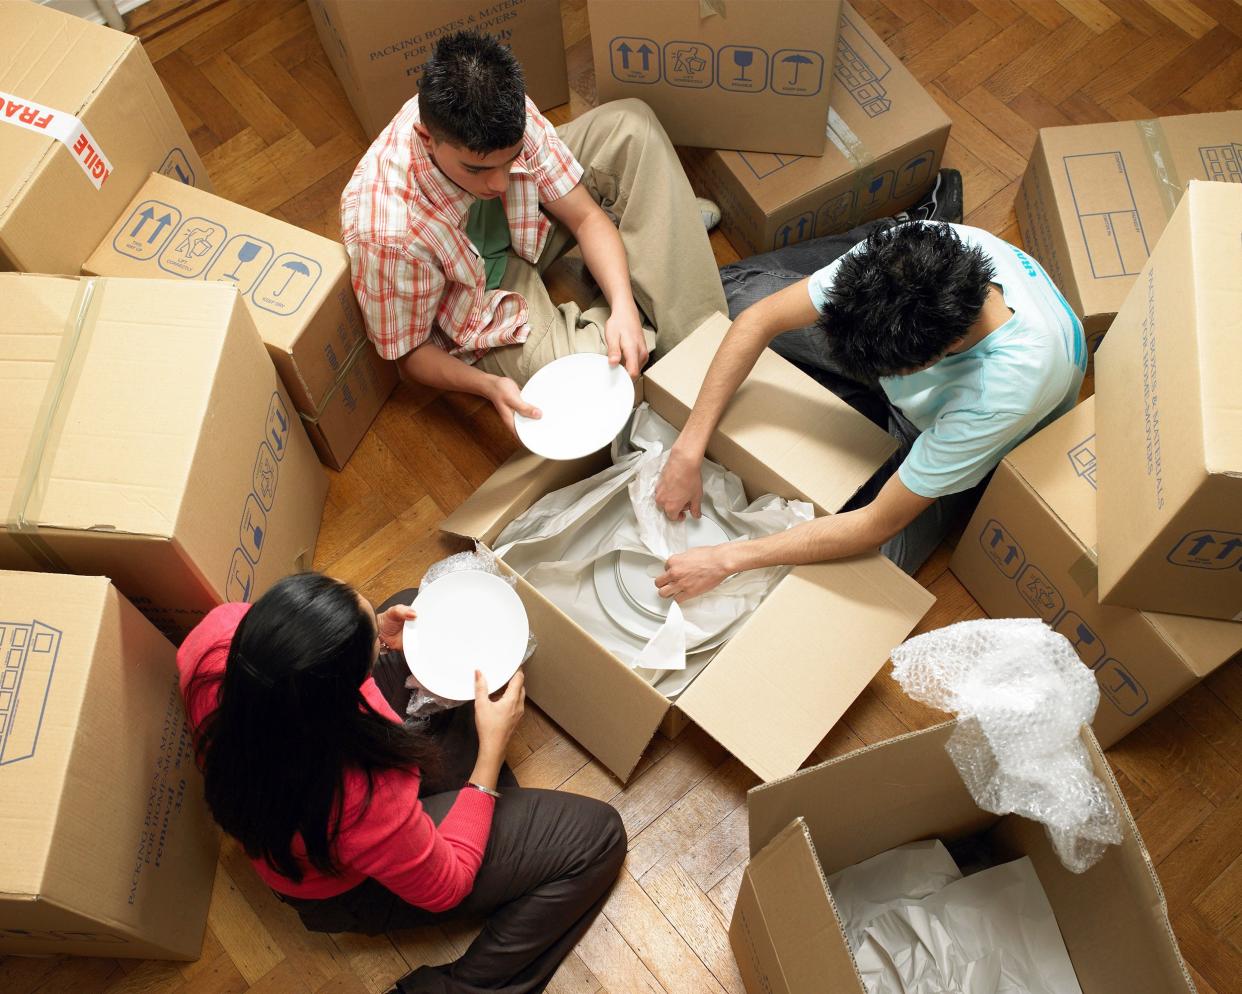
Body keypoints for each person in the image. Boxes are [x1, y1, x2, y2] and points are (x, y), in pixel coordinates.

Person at [177, 572, 626, 994]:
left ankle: (487, 807)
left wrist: (373, 628)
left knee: (411, 609)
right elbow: (447, 885)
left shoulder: (217, 638)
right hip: (342, 883)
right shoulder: (364, 793)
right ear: (339, 700)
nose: (377, 638)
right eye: (367, 654)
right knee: (599, 837)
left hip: (301, 803)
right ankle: (460, 988)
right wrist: (491, 751)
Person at [652, 172, 1086, 598]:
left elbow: (877, 524)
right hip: (915, 343)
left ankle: (870, 407)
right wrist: (688, 448)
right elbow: (759, 319)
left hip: (946, 426)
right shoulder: (906, 249)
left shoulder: (1001, 393)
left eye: (891, 373)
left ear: (936, 356)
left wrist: (727, 559)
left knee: (877, 567)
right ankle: (887, 225)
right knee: (727, 298)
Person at [341, 30, 727, 436]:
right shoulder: (387, 235)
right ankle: (659, 246)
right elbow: (410, 354)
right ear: (427, 139)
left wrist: (624, 305)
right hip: (470, 302)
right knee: (590, 374)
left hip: (525, 222)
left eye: (510, 162)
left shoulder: (502, 112)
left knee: (631, 126)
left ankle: (699, 344)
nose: (500, 183)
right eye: (477, 169)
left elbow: (584, 218)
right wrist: (488, 386)